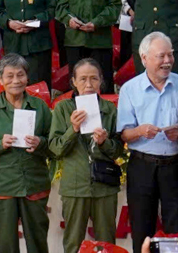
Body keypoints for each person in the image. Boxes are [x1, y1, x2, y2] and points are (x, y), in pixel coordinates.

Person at [0, 52, 54, 253]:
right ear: (0, 79)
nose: (15, 81)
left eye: (20, 75)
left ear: (27, 78)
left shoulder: (40, 107)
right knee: (6, 244)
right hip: (2, 186)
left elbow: (55, 144)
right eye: (9, 76)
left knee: (38, 243)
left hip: (34, 183)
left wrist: (40, 143)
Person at [118, 32, 178, 247]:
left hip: (175, 165)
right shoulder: (130, 89)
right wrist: (139, 131)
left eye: (170, 55)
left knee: (177, 229)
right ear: (144, 58)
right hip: (142, 166)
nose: (167, 61)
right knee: (142, 229)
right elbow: (124, 134)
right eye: (161, 56)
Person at [50, 58, 124, 253]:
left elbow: (118, 149)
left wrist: (104, 142)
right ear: (73, 82)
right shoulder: (63, 108)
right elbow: (55, 149)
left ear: (101, 81)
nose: (89, 84)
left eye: (94, 78)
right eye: (83, 79)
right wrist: (73, 129)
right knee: (73, 243)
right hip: (75, 185)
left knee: (106, 243)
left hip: (104, 186)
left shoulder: (110, 109)